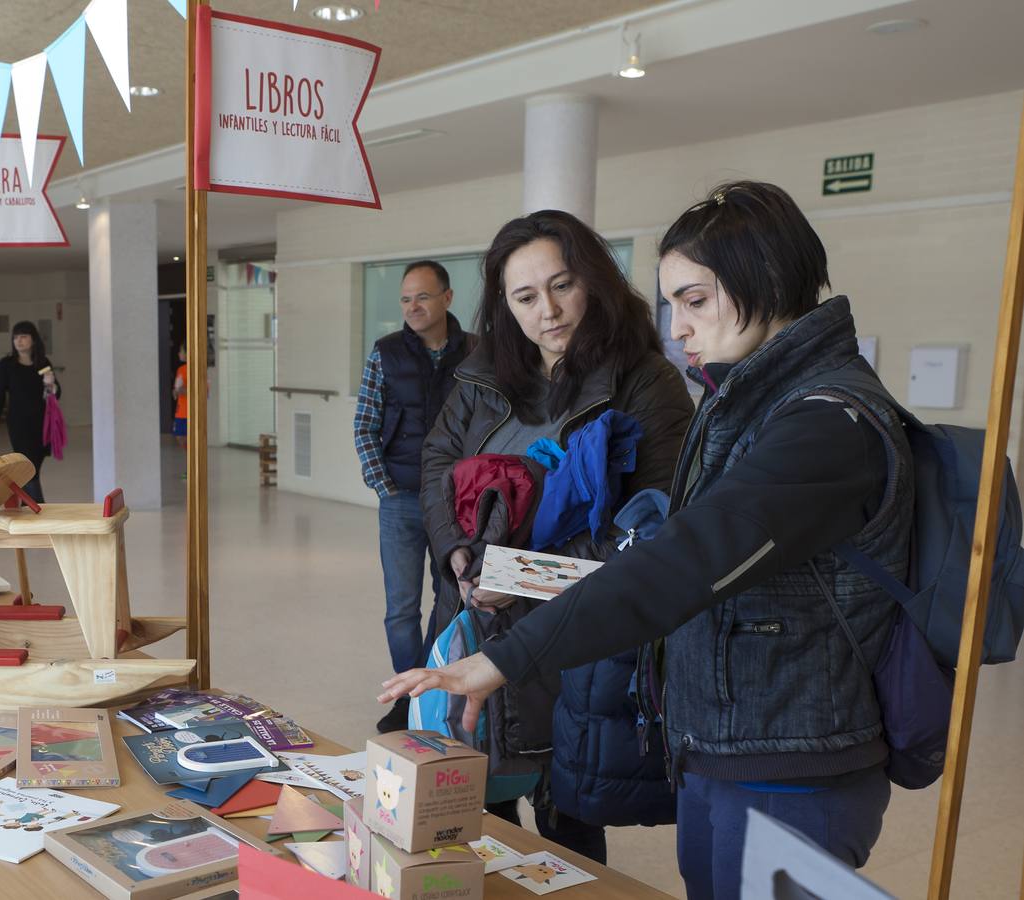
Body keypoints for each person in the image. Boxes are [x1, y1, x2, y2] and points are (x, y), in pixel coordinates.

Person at [383, 182, 910, 900]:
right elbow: (442, 465)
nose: (678, 326)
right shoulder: (745, 399)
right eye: (671, 305)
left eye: (693, 301)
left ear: (764, 277)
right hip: (728, 741)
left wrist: (503, 656)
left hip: (789, 751)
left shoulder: (823, 423)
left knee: (569, 817)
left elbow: (672, 561)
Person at [416, 213, 693, 863]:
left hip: (577, 640)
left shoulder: (645, 384)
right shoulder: (481, 379)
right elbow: (436, 466)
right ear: (504, 306)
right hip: (478, 622)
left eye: (562, 285)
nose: (548, 310)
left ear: (592, 282)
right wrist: (455, 547)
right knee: (475, 799)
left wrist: (512, 575)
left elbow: (647, 539)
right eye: (524, 297)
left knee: (564, 825)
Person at [352, 259, 473, 734]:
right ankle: (408, 697)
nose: (413, 307)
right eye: (405, 299)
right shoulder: (385, 353)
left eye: (422, 297)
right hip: (401, 498)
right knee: (401, 608)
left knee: (452, 601)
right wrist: (384, 486)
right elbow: (365, 424)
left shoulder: (477, 353)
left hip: (455, 503)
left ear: (447, 297)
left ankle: (434, 685)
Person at [0, 321, 61, 502]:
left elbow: (56, 394)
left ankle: (26, 509)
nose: (18, 341)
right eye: (15, 337)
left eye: (23, 336)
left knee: (30, 470)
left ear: (33, 340)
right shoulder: (6, 365)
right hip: (19, 426)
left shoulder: (43, 363)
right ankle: (39, 509)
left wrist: (51, 384)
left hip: (41, 426)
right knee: (29, 470)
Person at [172, 345, 190, 450]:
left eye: (181, 351)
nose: (179, 354)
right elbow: (177, 389)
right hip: (180, 412)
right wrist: (175, 392)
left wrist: (185, 390)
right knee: (179, 437)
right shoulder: (180, 370)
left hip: (191, 412)